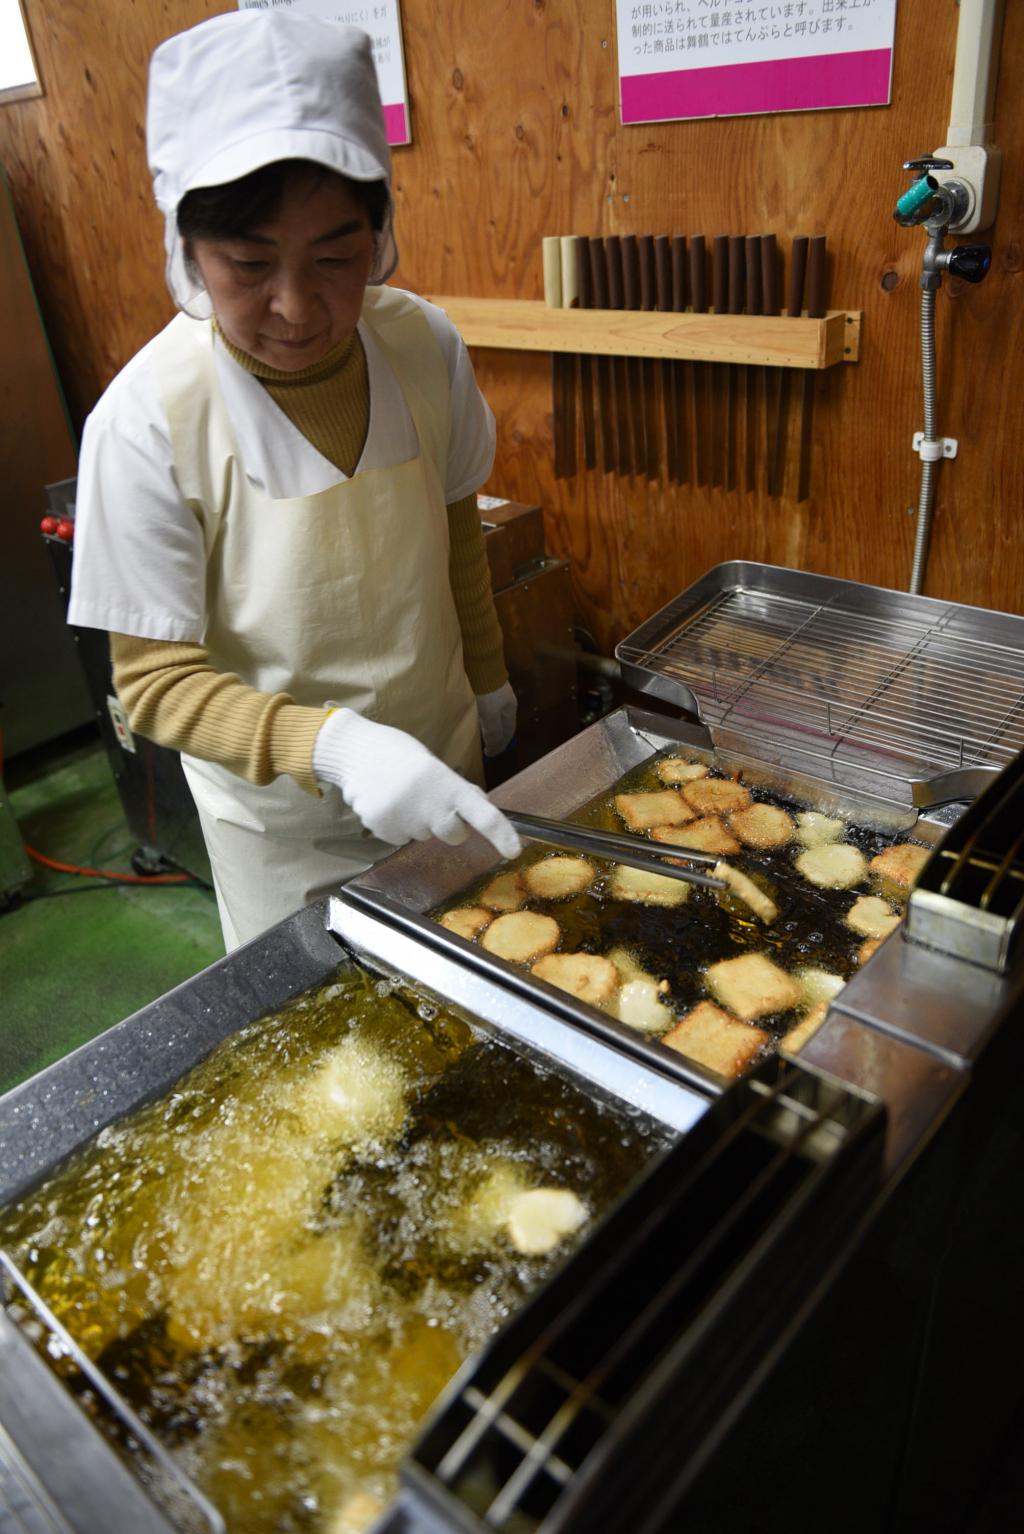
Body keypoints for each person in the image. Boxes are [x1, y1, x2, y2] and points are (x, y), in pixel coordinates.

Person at [67, 9, 522, 950]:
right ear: (188, 249)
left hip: (441, 779)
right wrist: (336, 746)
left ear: (379, 229)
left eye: (336, 256)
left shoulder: (421, 346)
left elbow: (455, 544)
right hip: (285, 833)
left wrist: (488, 685)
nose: (296, 306)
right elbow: (154, 685)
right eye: (248, 264)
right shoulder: (148, 420)